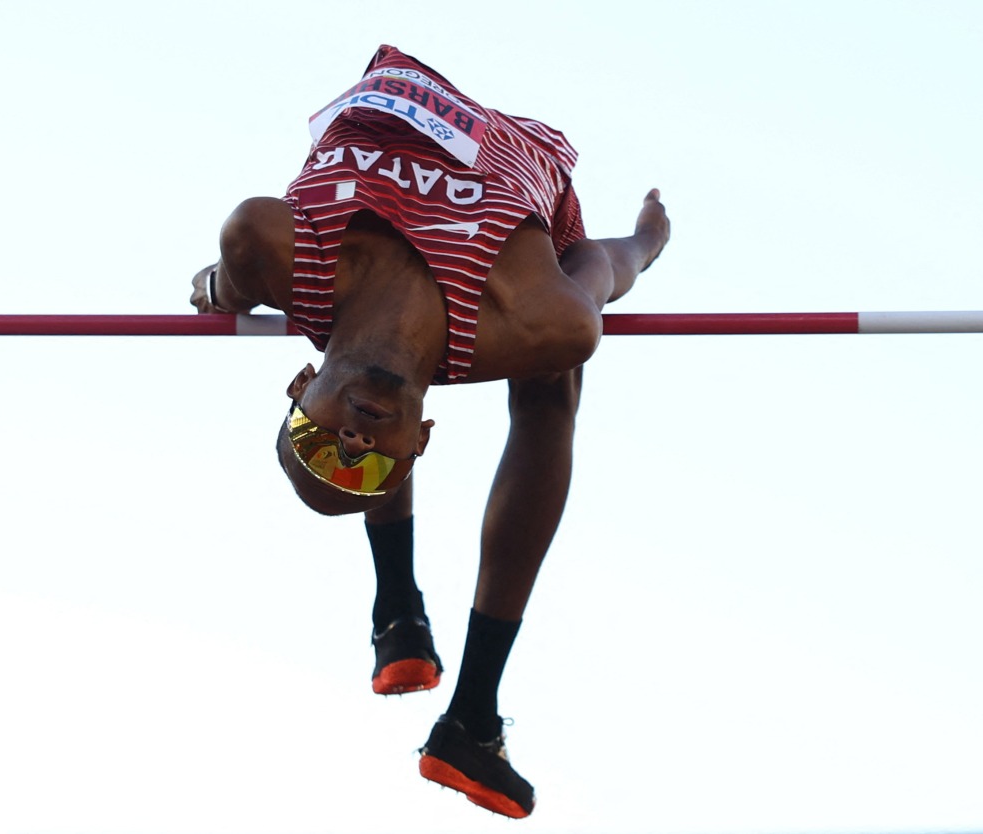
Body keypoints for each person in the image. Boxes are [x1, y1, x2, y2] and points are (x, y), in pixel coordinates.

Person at [190, 45, 669, 819]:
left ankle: (396, 608)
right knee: (553, 389)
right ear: (420, 441)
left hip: (399, 102)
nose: (352, 448)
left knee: (382, 356)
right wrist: (649, 240)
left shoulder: (270, 249)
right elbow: (602, 265)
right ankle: (473, 711)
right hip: (519, 165)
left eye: (321, 448)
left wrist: (218, 286)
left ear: (299, 386)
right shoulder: (536, 317)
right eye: (371, 465)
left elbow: (235, 262)